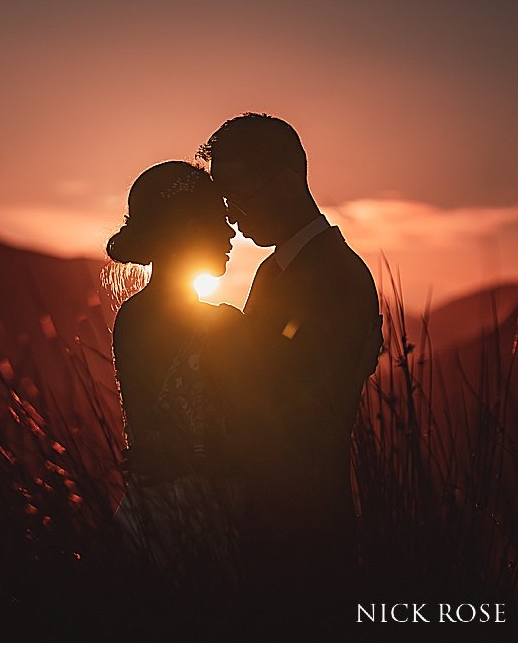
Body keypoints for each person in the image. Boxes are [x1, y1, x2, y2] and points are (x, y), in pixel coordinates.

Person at [197, 112, 383, 619]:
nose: (232, 215)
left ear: (286, 176)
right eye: (225, 201)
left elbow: (304, 413)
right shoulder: (270, 271)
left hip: (307, 531)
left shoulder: (338, 274)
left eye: (237, 195)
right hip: (266, 522)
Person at [104, 160, 243, 589]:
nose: (231, 234)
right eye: (217, 221)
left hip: (145, 515)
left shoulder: (132, 316)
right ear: (186, 230)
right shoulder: (222, 326)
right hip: (200, 520)